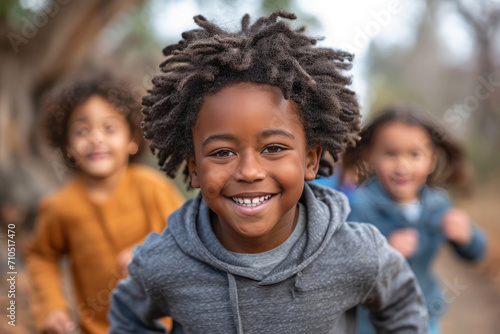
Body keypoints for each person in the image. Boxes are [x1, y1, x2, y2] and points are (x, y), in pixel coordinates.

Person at [108, 11, 429, 333]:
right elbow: (127, 315)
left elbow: (402, 305)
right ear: (194, 169)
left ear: (310, 160)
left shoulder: (355, 252)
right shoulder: (166, 261)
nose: (249, 171)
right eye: (222, 153)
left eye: (273, 148)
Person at [24, 72, 185, 334]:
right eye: (82, 130)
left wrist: (148, 254)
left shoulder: (151, 188)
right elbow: (42, 255)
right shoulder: (61, 206)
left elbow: (188, 238)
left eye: (109, 128)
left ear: (131, 140)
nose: (96, 138)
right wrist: (51, 308)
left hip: (167, 325)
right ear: (67, 145)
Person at [343, 105, 487, 334]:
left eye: (414, 154)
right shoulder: (359, 206)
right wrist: (383, 253)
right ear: (369, 156)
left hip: (425, 315)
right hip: (374, 323)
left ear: (431, 160)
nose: (402, 166)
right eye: (390, 153)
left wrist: (467, 237)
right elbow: (343, 267)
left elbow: (476, 254)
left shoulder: (437, 203)